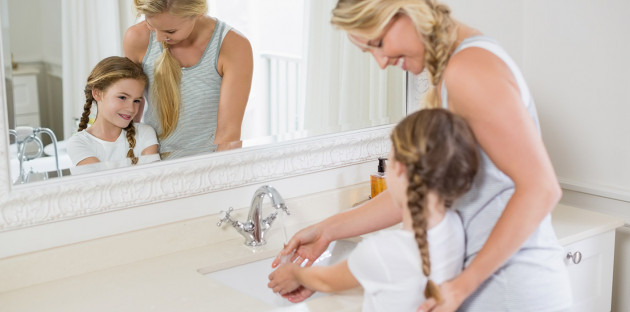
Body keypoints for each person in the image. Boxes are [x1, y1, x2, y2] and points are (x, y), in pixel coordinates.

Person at [272, 0, 573, 311]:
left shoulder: (468, 71)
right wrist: (328, 230)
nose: (380, 61)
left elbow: (542, 189)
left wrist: (460, 287)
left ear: (405, 11)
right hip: (495, 283)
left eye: (378, 43)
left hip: (510, 287)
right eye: (368, 51)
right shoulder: (455, 68)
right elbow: (419, 188)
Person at [268, 109, 479, 311]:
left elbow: (327, 280)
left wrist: (295, 274)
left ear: (400, 170)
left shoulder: (380, 251)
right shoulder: (455, 227)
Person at [124, 0, 253, 159]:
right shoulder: (136, 38)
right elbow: (130, 109)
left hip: (209, 164)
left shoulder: (233, 45)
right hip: (152, 164)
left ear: (197, 13)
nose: (158, 38)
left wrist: (216, 176)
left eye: (170, 31)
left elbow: (229, 133)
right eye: (151, 25)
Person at [66, 56, 160, 173]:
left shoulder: (145, 133)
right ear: (97, 93)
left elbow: (154, 180)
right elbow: (105, 184)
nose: (131, 109)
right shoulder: (78, 143)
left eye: (136, 100)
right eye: (122, 97)